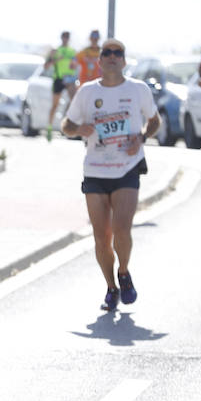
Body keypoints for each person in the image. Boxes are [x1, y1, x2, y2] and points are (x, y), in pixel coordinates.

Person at [61, 38, 159, 312]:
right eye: (108, 53)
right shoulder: (87, 92)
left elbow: (154, 121)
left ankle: (124, 272)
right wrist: (79, 129)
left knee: (121, 230)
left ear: (124, 61)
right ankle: (111, 287)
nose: (113, 56)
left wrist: (140, 138)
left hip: (127, 167)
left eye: (118, 53)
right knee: (101, 237)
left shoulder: (138, 90)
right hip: (95, 169)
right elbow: (66, 124)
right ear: (100, 61)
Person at [45, 31, 78, 141]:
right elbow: (46, 66)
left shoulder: (72, 51)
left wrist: (73, 66)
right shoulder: (56, 51)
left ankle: (71, 127)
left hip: (69, 79)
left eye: (67, 37)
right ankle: (49, 127)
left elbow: (75, 65)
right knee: (55, 105)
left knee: (74, 102)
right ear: (61, 38)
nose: (66, 39)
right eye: (64, 36)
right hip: (58, 79)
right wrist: (55, 59)